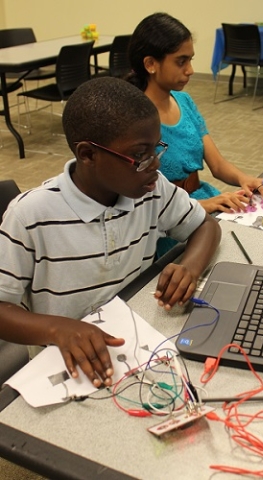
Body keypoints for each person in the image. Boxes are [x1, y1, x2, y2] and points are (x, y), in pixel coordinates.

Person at [0, 77, 221, 388]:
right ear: (88, 155)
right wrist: (57, 329)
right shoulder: (29, 216)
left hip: (139, 343)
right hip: (66, 366)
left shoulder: (152, 190)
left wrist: (190, 267)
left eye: (156, 149)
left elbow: (205, 225)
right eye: (140, 155)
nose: (155, 165)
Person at [126, 12, 263, 217]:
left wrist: (245, 179)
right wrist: (203, 205)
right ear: (150, 64)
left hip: (200, 198)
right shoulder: (132, 117)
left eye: (190, 60)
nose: (190, 70)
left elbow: (217, 164)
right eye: (181, 62)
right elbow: (139, 202)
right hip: (168, 215)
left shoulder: (184, 101)